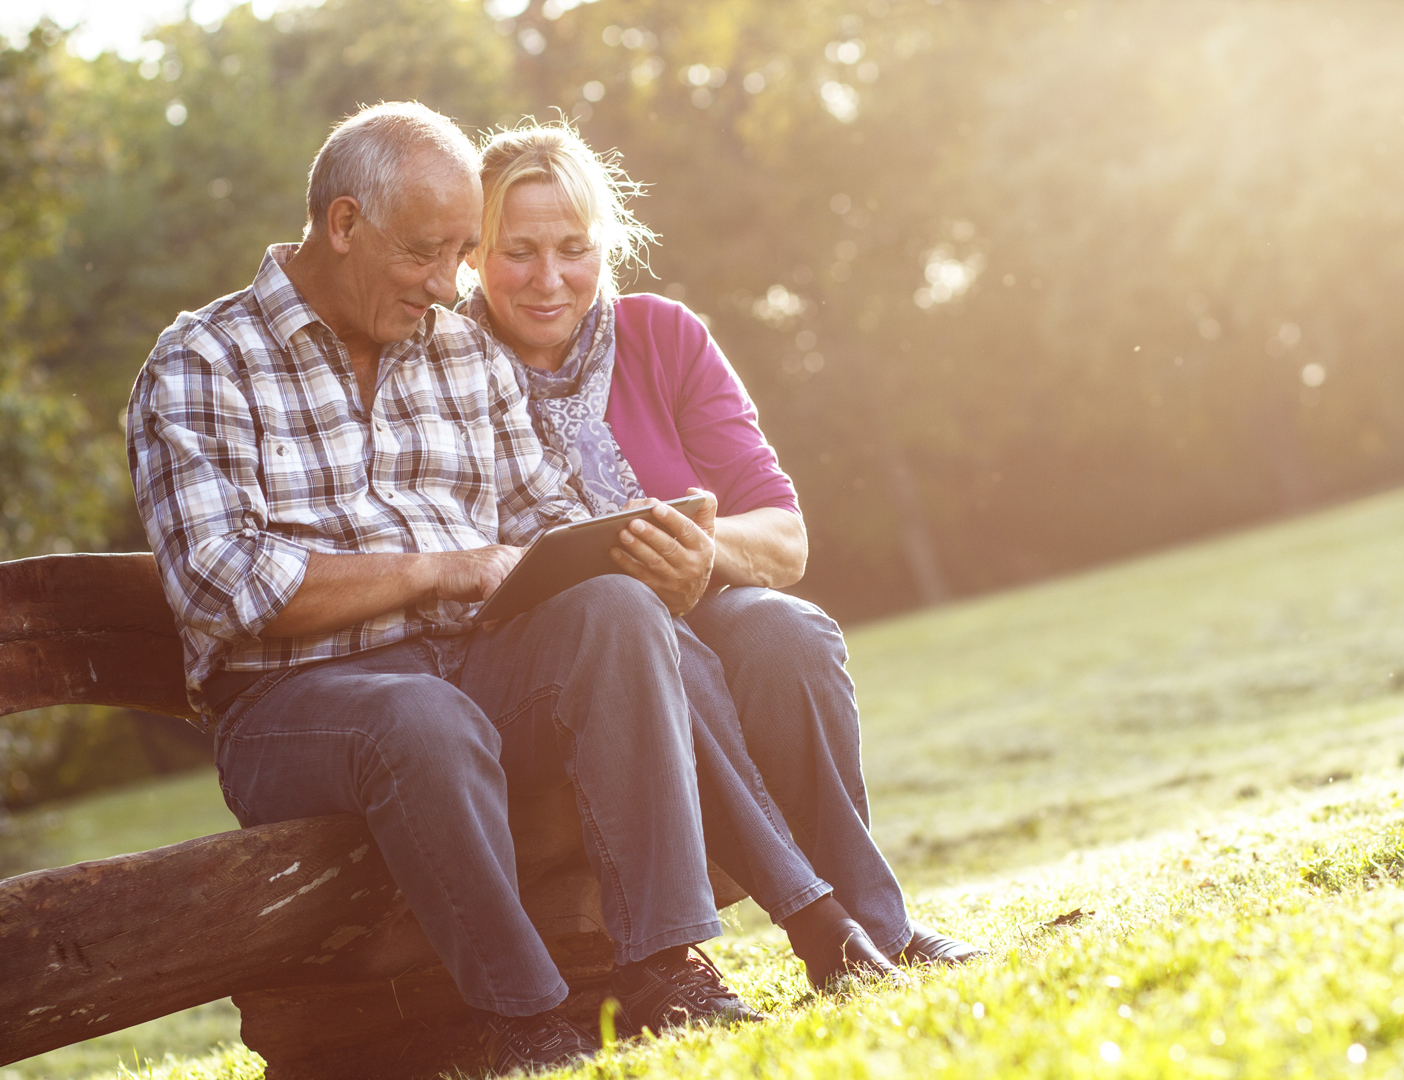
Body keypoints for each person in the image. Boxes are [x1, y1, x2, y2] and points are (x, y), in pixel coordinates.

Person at [125, 102, 767, 1076]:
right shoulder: (201, 363)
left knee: (615, 610)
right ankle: (525, 1019)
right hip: (295, 707)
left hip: (473, 666)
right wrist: (435, 568)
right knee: (420, 717)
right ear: (343, 225)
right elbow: (225, 589)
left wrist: (646, 558)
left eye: (463, 252)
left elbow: (550, 517)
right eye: (425, 253)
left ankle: (665, 964)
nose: (447, 284)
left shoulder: (460, 353)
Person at [458, 123, 987, 990]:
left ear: (605, 247)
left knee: (790, 637)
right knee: (652, 636)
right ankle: (824, 923)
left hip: (693, 603)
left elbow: (784, 535)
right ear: (474, 254)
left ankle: (877, 927)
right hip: (555, 669)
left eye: (573, 249)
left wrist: (697, 553)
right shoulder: (443, 371)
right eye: (518, 252)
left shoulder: (664, 337)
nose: (549, 279)